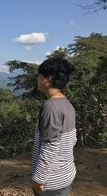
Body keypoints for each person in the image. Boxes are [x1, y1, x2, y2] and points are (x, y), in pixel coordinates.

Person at [32, 57, 76, 196]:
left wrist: (39, 179)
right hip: (65, 175)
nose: (38, 78)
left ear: (48, 78)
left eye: (40, 75)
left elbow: (50, 147)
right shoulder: (66, 103)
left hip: (51, 182)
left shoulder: (51, 106)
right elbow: (71, 140)